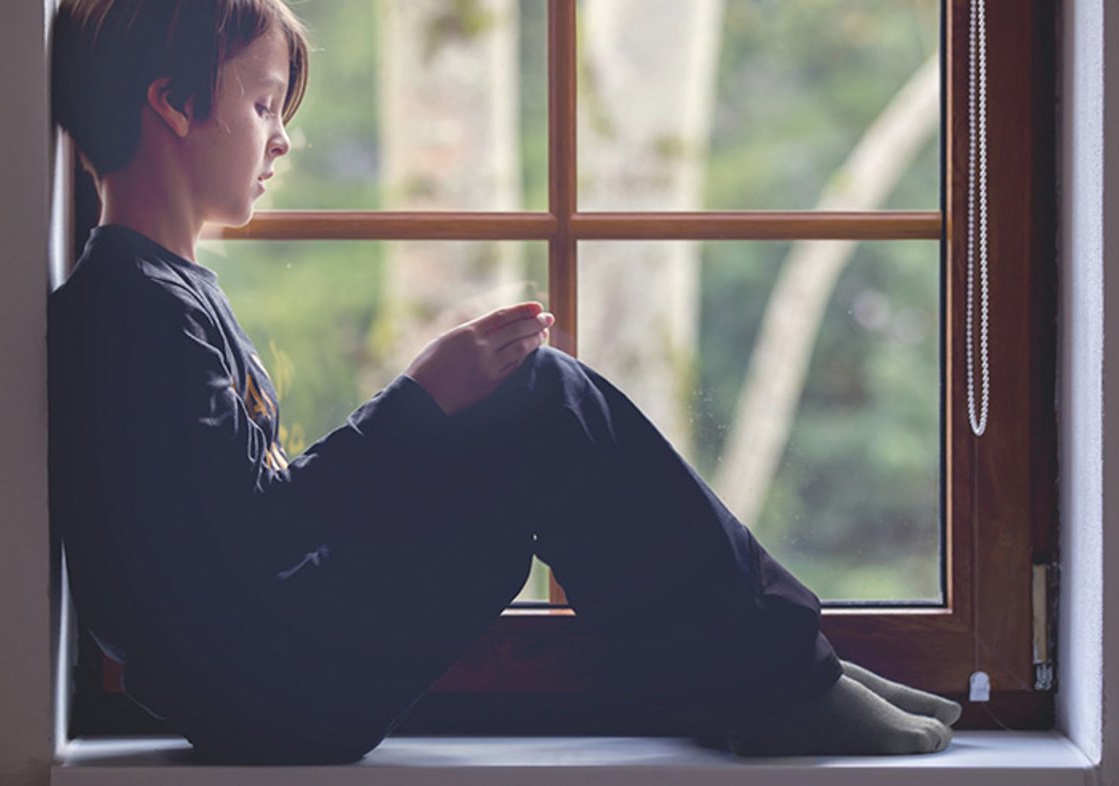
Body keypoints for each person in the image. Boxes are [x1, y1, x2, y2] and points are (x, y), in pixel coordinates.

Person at [48, 0, 960, 764]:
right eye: (262, 105)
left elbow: (242, 524)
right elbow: (249, 543)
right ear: (171, 104)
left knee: (528, 400)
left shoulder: (157, 289)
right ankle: (782, 681)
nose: (281, 139)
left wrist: (429, 411)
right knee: (539, 402)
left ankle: (779, 673)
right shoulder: (132, 309)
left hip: (265, 673)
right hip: (269, 691)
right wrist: (413, 407)